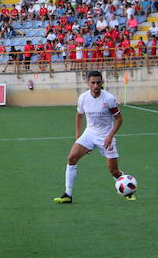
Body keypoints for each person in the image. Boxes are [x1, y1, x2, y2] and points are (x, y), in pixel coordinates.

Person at [54, 70, 132, 203]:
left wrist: (109, 136)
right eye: (93, 83)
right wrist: (78, 138)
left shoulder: (109, 98)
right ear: (88, 83)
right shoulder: (83, 98)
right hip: (89, 133)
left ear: (102, 82)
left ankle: (127, 191)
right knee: (71, 158)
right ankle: (68, 194)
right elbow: (79, 116)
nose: (96, 85)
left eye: (98, 82)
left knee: (113, 171)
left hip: (106, 136)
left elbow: (119, 119)